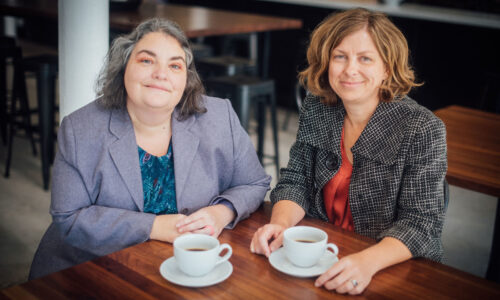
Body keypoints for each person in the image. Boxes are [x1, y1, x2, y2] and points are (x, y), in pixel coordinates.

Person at [29, 18, 271, 279]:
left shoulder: (219, 115)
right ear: (123, 67)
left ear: (185, 79)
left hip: (186, 268)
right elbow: (69, 217)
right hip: (92, 269)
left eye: (175, 65)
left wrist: (221, 212)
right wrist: (154, 226)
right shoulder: (80, 129)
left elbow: (254, 182)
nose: (161, 74)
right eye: (147, 60)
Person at [250, 8, 447, 295]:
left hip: (389, 267)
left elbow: (421, 224)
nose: (349, 69)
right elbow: (296, 181)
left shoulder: (422, 129)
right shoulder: (318, 107)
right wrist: (280, 225)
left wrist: (367, 262)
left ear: (387, 69)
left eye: (365, 58)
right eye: (339, 56)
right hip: (321, 256)